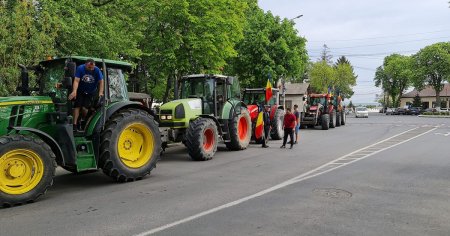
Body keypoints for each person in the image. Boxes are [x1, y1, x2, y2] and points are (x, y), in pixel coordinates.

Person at [68, 59, 104, 131]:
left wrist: (100, 92)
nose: (91, 69)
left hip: (91, 92)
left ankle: (82, 120)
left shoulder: (97, 70)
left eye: (92, 67)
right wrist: (74, 91)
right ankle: (75, 125)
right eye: (89, 67)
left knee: (84, 109)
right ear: (85, 65)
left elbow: (101, 81)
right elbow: (76, 80)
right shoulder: (80, 68)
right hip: (80, 91)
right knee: (77, 106)